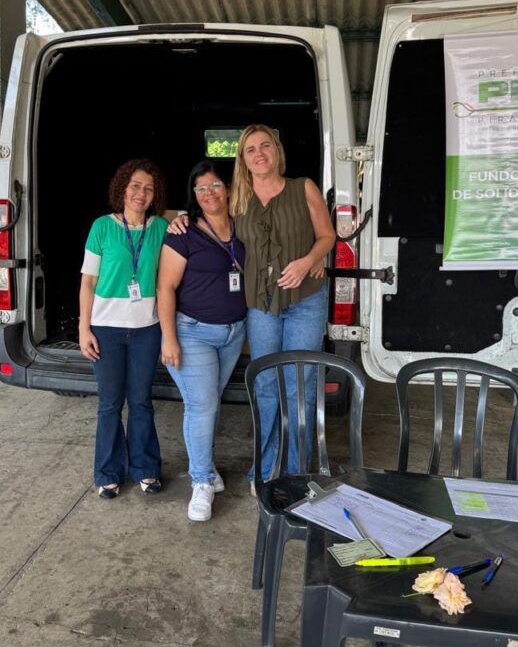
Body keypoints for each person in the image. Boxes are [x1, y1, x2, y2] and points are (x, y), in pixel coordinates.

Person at [170, 125, 336, 488]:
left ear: (277, 150)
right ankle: (264, 465)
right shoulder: (237, 199)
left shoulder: (303, 187)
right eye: (250, 150)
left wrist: (308, 260)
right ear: (242, 159)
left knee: (300, 382)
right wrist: (180, 218)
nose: (259, 154)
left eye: (265, 146)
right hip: (260, 304)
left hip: (305, 298)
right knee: (264, 383)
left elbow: (328, 236)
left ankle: (293, 468)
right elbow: (206, 207)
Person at [157, 162, 247, 521]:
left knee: (211, 402)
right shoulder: (183, 232)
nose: (209, 193)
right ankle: (201, 481)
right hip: (192, 331)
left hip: (232, 333)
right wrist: (169, 338)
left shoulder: (243, 226)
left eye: (214, 185)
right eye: (200, 188)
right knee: (202, 406)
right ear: (193, 196)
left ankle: (206, 468)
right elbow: (165, 287)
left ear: (227, 189)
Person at [79, 159, 169, 499]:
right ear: (123, 189)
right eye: (135, 186)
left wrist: (184, 219)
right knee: (110, 404)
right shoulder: (102, 226)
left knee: (142, 401)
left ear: (154, 195)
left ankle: (146, 468)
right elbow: (87, 283)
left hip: (147, 329)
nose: (140, 193)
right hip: (106, 329)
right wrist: (84, 329)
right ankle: (107, 472)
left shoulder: (160, 227)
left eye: (148, 188)